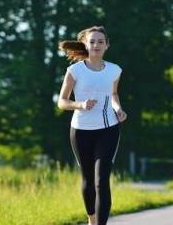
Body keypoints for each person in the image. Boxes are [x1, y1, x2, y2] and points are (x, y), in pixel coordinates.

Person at [57, 26, 127, 225]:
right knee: (88, 180)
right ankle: (92, 220)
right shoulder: (74, 70)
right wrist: (80, 104)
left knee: (101, 181)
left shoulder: (114, 70)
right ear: (85, 45)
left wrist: (118, 109)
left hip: (108, 129)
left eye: (100, 42)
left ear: (107, 45)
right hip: (80, 130)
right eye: (92, 41)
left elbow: (113, 94)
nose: (96, 45)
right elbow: (62, 101)